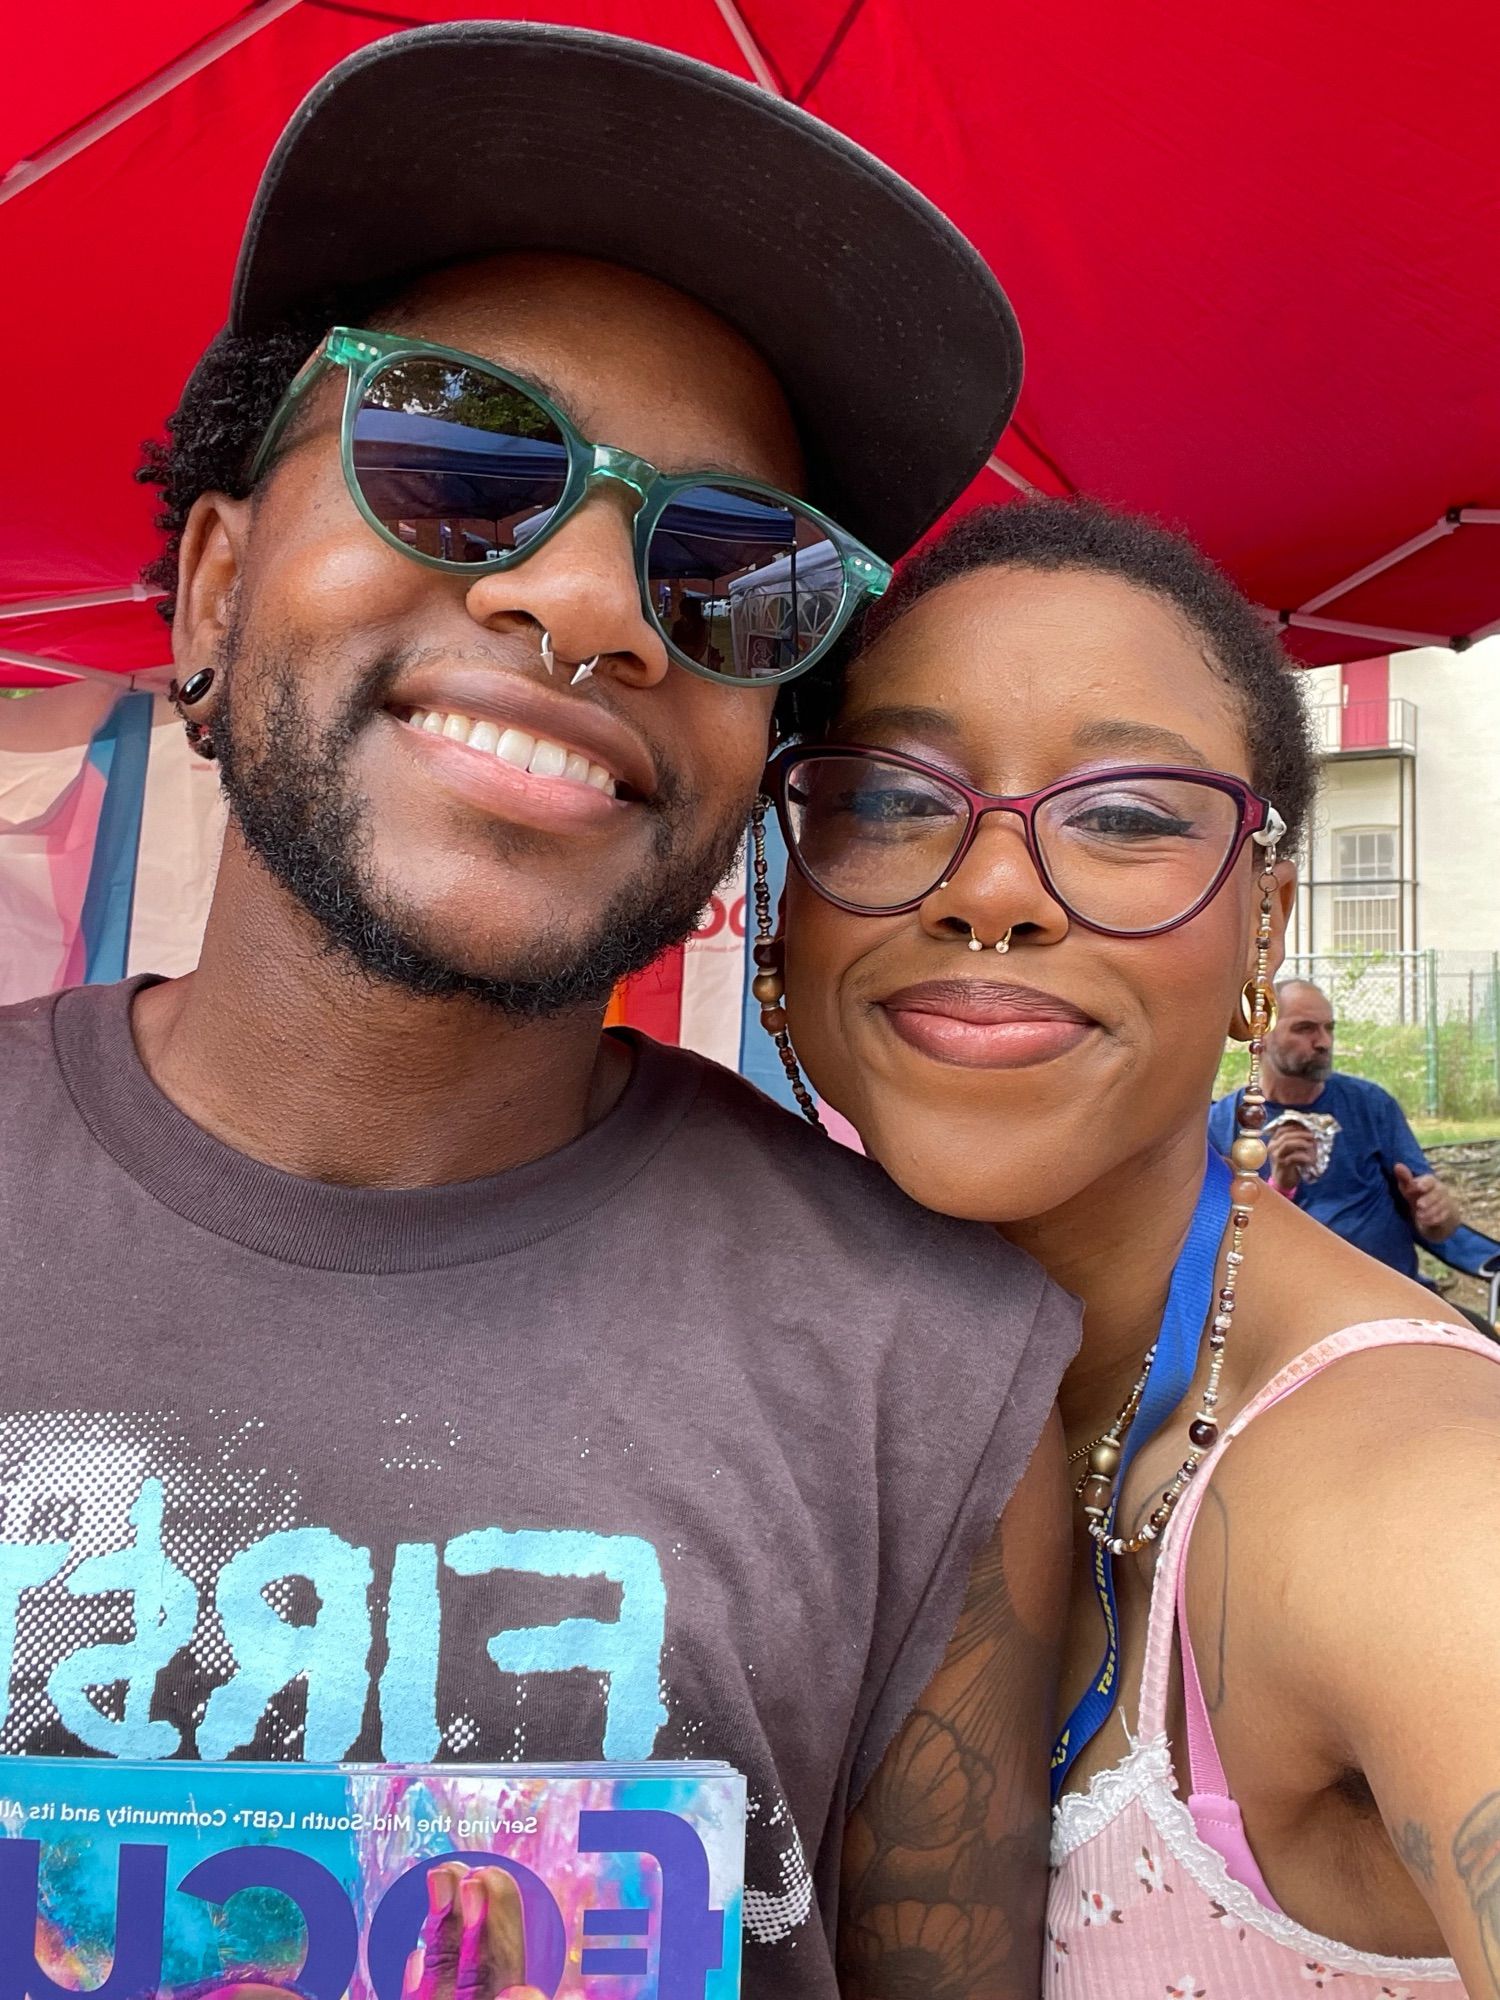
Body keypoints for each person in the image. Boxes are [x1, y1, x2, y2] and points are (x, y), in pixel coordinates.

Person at [0, 24, 1081, 2000]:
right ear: (213, 590)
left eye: (732, 566)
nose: (592, 603)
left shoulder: (932, 1383)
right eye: (460, 456)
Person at [768, 496, 1500, 1997]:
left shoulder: (1421, 1508)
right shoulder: (727, 1344)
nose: (987, 890)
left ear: (1264, 930)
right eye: (898, 795)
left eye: (1123, 816)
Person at [1208, 977, 1465, 1273]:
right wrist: (1279, 1187)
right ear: (1260, 1033)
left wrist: (1439, 1214)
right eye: (1305, 1029)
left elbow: (1436, 1228)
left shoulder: (1371, 1105)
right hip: (1289, 1300)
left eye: (1329, 1028)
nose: (1324, 1042)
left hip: (1388, 1293)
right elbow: (1223, 1248)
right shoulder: (1223, 1126)